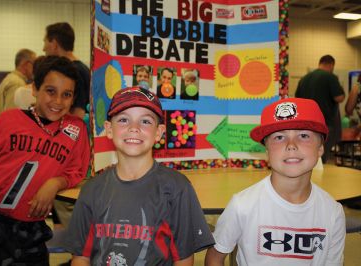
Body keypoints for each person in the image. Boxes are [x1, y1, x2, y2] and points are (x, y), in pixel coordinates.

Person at [0, 56, 90, 264]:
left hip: (30, 227)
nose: (58, 101)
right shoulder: (8, 120)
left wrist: (55, 183)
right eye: (50, 91)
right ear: (34, 90)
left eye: (67, 95)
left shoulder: (75, 129)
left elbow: (76, 171)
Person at [64, 87, 214, 265]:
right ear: (109, 129)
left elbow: (183, 259)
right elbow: (81, 257)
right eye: (123, 120)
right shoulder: (92, 189)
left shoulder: (177, 188)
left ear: (158, 132)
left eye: (145, 121)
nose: (133, 128)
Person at [205, 98, 346, 266]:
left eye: (303, 135)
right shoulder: (242, 206)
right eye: (279, 137)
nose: (291, 145)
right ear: (267, 151)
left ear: (320, 148)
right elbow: (214, 257)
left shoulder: (332, 213)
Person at [295, 54, 345, 163]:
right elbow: (339, 97)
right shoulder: (330, 77)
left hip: (305, 124)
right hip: (324, 123)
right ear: (331, 65)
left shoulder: (304, 79)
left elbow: (297, 100)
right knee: (321, 156)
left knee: (307, 155)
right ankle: (319, 178)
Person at [43, 22, 90, 120]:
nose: (43, 49)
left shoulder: (74, 72)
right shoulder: (83, 68)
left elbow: (78, 112)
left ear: (54, 44)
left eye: (45, 42)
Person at [0, 48, 36, 119]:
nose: (35, 69)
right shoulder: (17, 83)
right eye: (34, 64)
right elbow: (11, 115)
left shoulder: (9, 78)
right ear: (26, 64)